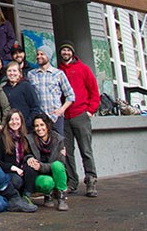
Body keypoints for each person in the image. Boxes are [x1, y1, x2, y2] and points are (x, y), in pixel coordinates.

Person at [58, 40, 100, 198]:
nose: (66, 53)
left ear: (72, 53)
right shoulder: (58, 70)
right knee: (67, 152)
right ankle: (72, 182)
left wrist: (90, 111)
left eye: (68, 50)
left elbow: (94, 91)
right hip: (65, 117)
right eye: (63, 50)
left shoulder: (83, 69)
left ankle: (90, 180)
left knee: (86, 150)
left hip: (80, 115)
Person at [25, 113, 69, 211]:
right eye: (36, 126)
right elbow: (26, 154)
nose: (39, 128)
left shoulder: (58, 140)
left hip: (54, 172)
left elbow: (61, 162)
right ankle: (48, 193)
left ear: (47, 126)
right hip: (40, 175)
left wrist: (41, 166)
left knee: (57, 165)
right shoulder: (29, 139)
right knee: (46, 183)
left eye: (42, 125)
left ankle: (61, 197)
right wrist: (29, 158)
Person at [28, 45, 75, 135]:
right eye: (37, 54)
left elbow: (70, 95)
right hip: (39, 118)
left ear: (48, 56)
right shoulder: (31, 74)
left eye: (42, 54)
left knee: (58, 145)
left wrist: (61, 110)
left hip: (55, 117)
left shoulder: (58, 74)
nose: (39, 57)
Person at [0, 109, 37, 203]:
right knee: (16, 180)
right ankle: (13, 198)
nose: (14, 122)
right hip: (8, 172)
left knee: (31, 169)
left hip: (22, 169)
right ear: (7, 122)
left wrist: (30, 158)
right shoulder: (0, 138)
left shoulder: (25, 137)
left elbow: (29, 153)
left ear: (21, 121)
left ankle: (27, 196)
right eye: (11, 119)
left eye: (17, 119)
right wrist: (13, 168)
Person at [2, 61, 41, 128]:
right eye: (9, 71)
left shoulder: (26, 86)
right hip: (11, 127)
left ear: (19, 72)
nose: (12, 73)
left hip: (26, 127)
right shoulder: (4, 89)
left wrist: (27, 124)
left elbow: (35, 108)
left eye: (14, 71)